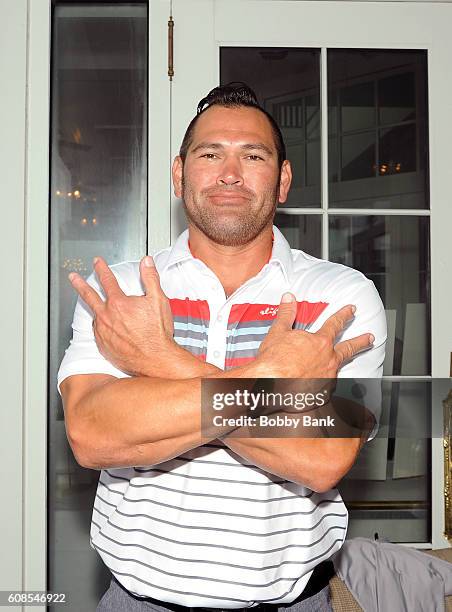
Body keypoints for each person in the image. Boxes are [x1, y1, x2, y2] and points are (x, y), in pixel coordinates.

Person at [58, 83, 387, 612]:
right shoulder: (121, 292)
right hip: (138, 601)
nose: (229, 173)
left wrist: (159, 362)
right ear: (178, 173)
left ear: (282, 181)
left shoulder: (340, 296)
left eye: (252, 155)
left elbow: (323, 455)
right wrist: (270, 389)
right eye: (209, 154)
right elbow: (94, 433)